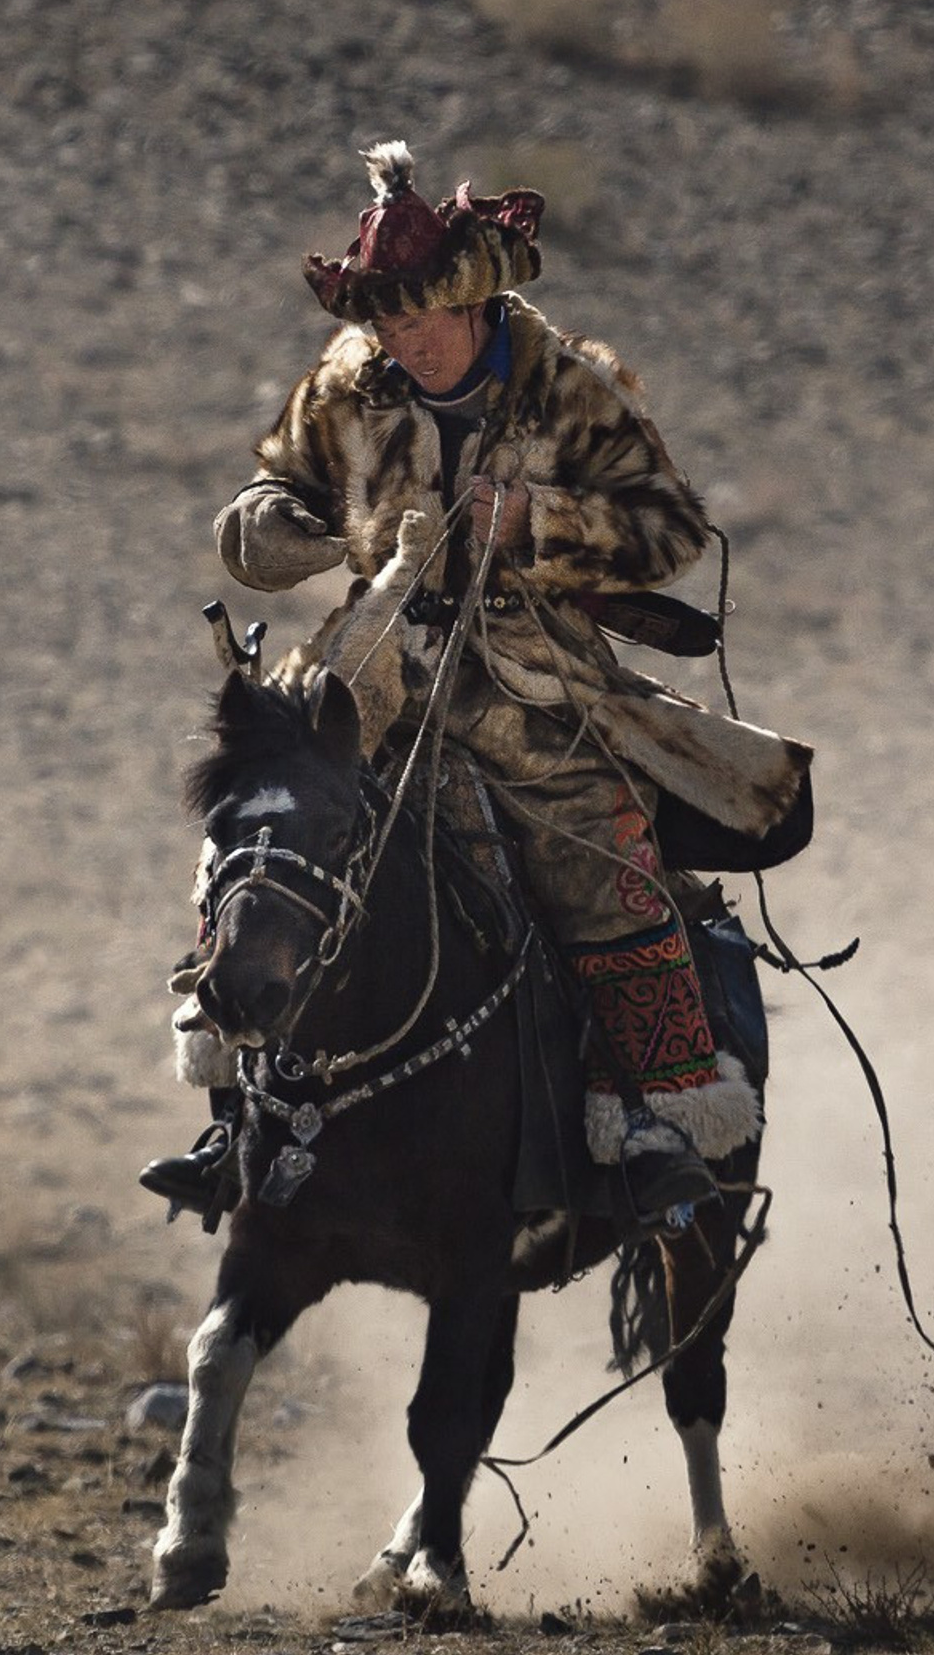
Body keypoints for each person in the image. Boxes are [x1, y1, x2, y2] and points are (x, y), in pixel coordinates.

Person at [141, 141, 811, 1228]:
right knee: (261, 817)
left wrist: (540, 524)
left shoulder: (573, 390)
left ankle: (655, 1120)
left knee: (594, 852)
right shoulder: (345, 384)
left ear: (474, 301)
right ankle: (234, 1108)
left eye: (423, 322)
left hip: (530, 679)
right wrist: (281, 531)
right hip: (365, 666)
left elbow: (674, 530)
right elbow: (264, 497)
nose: (405, 343)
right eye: (387, 323)